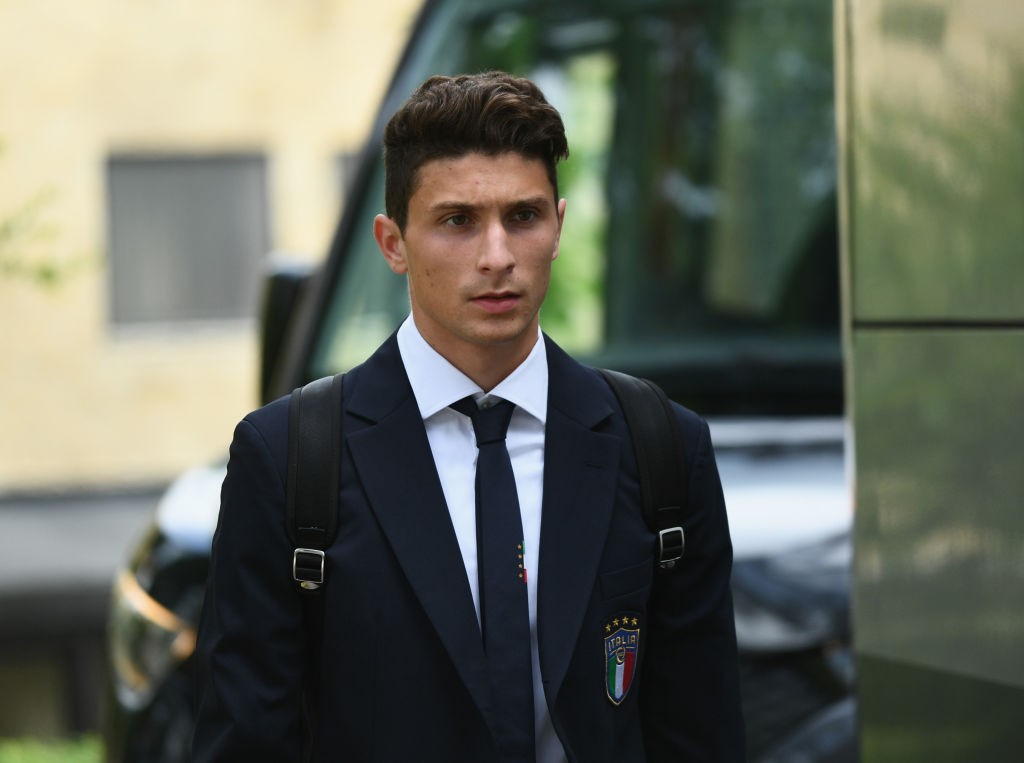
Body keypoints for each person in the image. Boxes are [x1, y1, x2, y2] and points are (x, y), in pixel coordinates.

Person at [193, 71, 745, 762]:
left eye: (523, 216)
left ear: (559, 226)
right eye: (457, 220)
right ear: (393, 242)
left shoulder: (662, 445)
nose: (497, 256)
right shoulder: (288, 460)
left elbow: (702, 733)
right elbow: (244, 743)